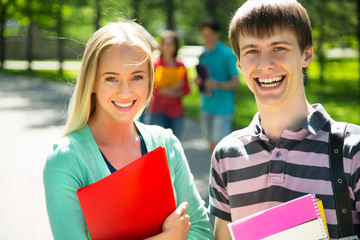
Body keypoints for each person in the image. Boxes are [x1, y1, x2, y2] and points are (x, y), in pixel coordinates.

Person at [43, 21, 213, 240]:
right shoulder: (65, 160)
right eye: (111, 78)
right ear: (91, 82)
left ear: (150, 79)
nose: (125, 92)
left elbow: (202, 232)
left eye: (137, 77)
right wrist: (167, 237)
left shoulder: (166, 143)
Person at [209, 0, 360, 239]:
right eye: (252, 51)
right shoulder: (226, 155)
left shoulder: (353, 151)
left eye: (278, 48)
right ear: (239, 63)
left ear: (307, 54)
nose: (265, 64)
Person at [195, 18, 240, 154]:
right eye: (204, 35)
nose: (206, 38)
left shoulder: (227, 55)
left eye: (210, 34)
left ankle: (220, 174)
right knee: (211, 146)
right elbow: (203, 78)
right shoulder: (203, 55)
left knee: (219, 147)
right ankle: (215, 173)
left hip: (222, 109)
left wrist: (217, 84)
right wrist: (199, 81)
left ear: (218, 34)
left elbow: (236, 83)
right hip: (206, 106)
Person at [144, 30, 190, 139]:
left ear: (176, 46)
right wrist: (163, 91)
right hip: (157, 110)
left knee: (174, 146)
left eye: (171, 44)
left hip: (176, 111)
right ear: (162, 45)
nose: (168, 47)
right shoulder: (155, 65)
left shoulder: (180, 65)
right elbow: (147, 88)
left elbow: (187, 89)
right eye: (166, 43)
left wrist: (176, 91)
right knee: (157, 146)